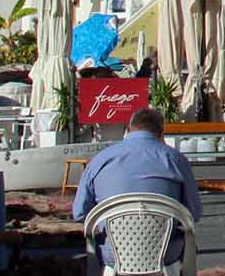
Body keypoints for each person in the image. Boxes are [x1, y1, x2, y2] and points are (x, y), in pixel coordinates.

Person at [73, 107, 202, 265]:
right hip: (164, 253)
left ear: (127, 130)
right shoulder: (175, 159)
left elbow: (79, 212)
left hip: (113, 254)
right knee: (186, 244)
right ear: (161, 134)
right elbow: (194, 213)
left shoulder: (100, 159)